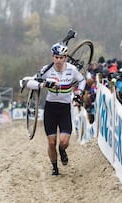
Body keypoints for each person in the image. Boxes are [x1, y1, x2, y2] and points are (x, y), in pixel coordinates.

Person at [19, 43, 86, 176]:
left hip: (65, 109)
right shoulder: (47, 70)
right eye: (56, 57)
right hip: (50, 108)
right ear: (53, 57)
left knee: (64, 142)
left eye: (61, 58)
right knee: (51, 142)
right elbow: (27, 82)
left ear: (66, 57)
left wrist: (79, 92)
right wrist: (43, 84)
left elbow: (82, 80)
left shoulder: (72, 69)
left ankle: (62, 150)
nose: (59, 60)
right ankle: (54, 167)